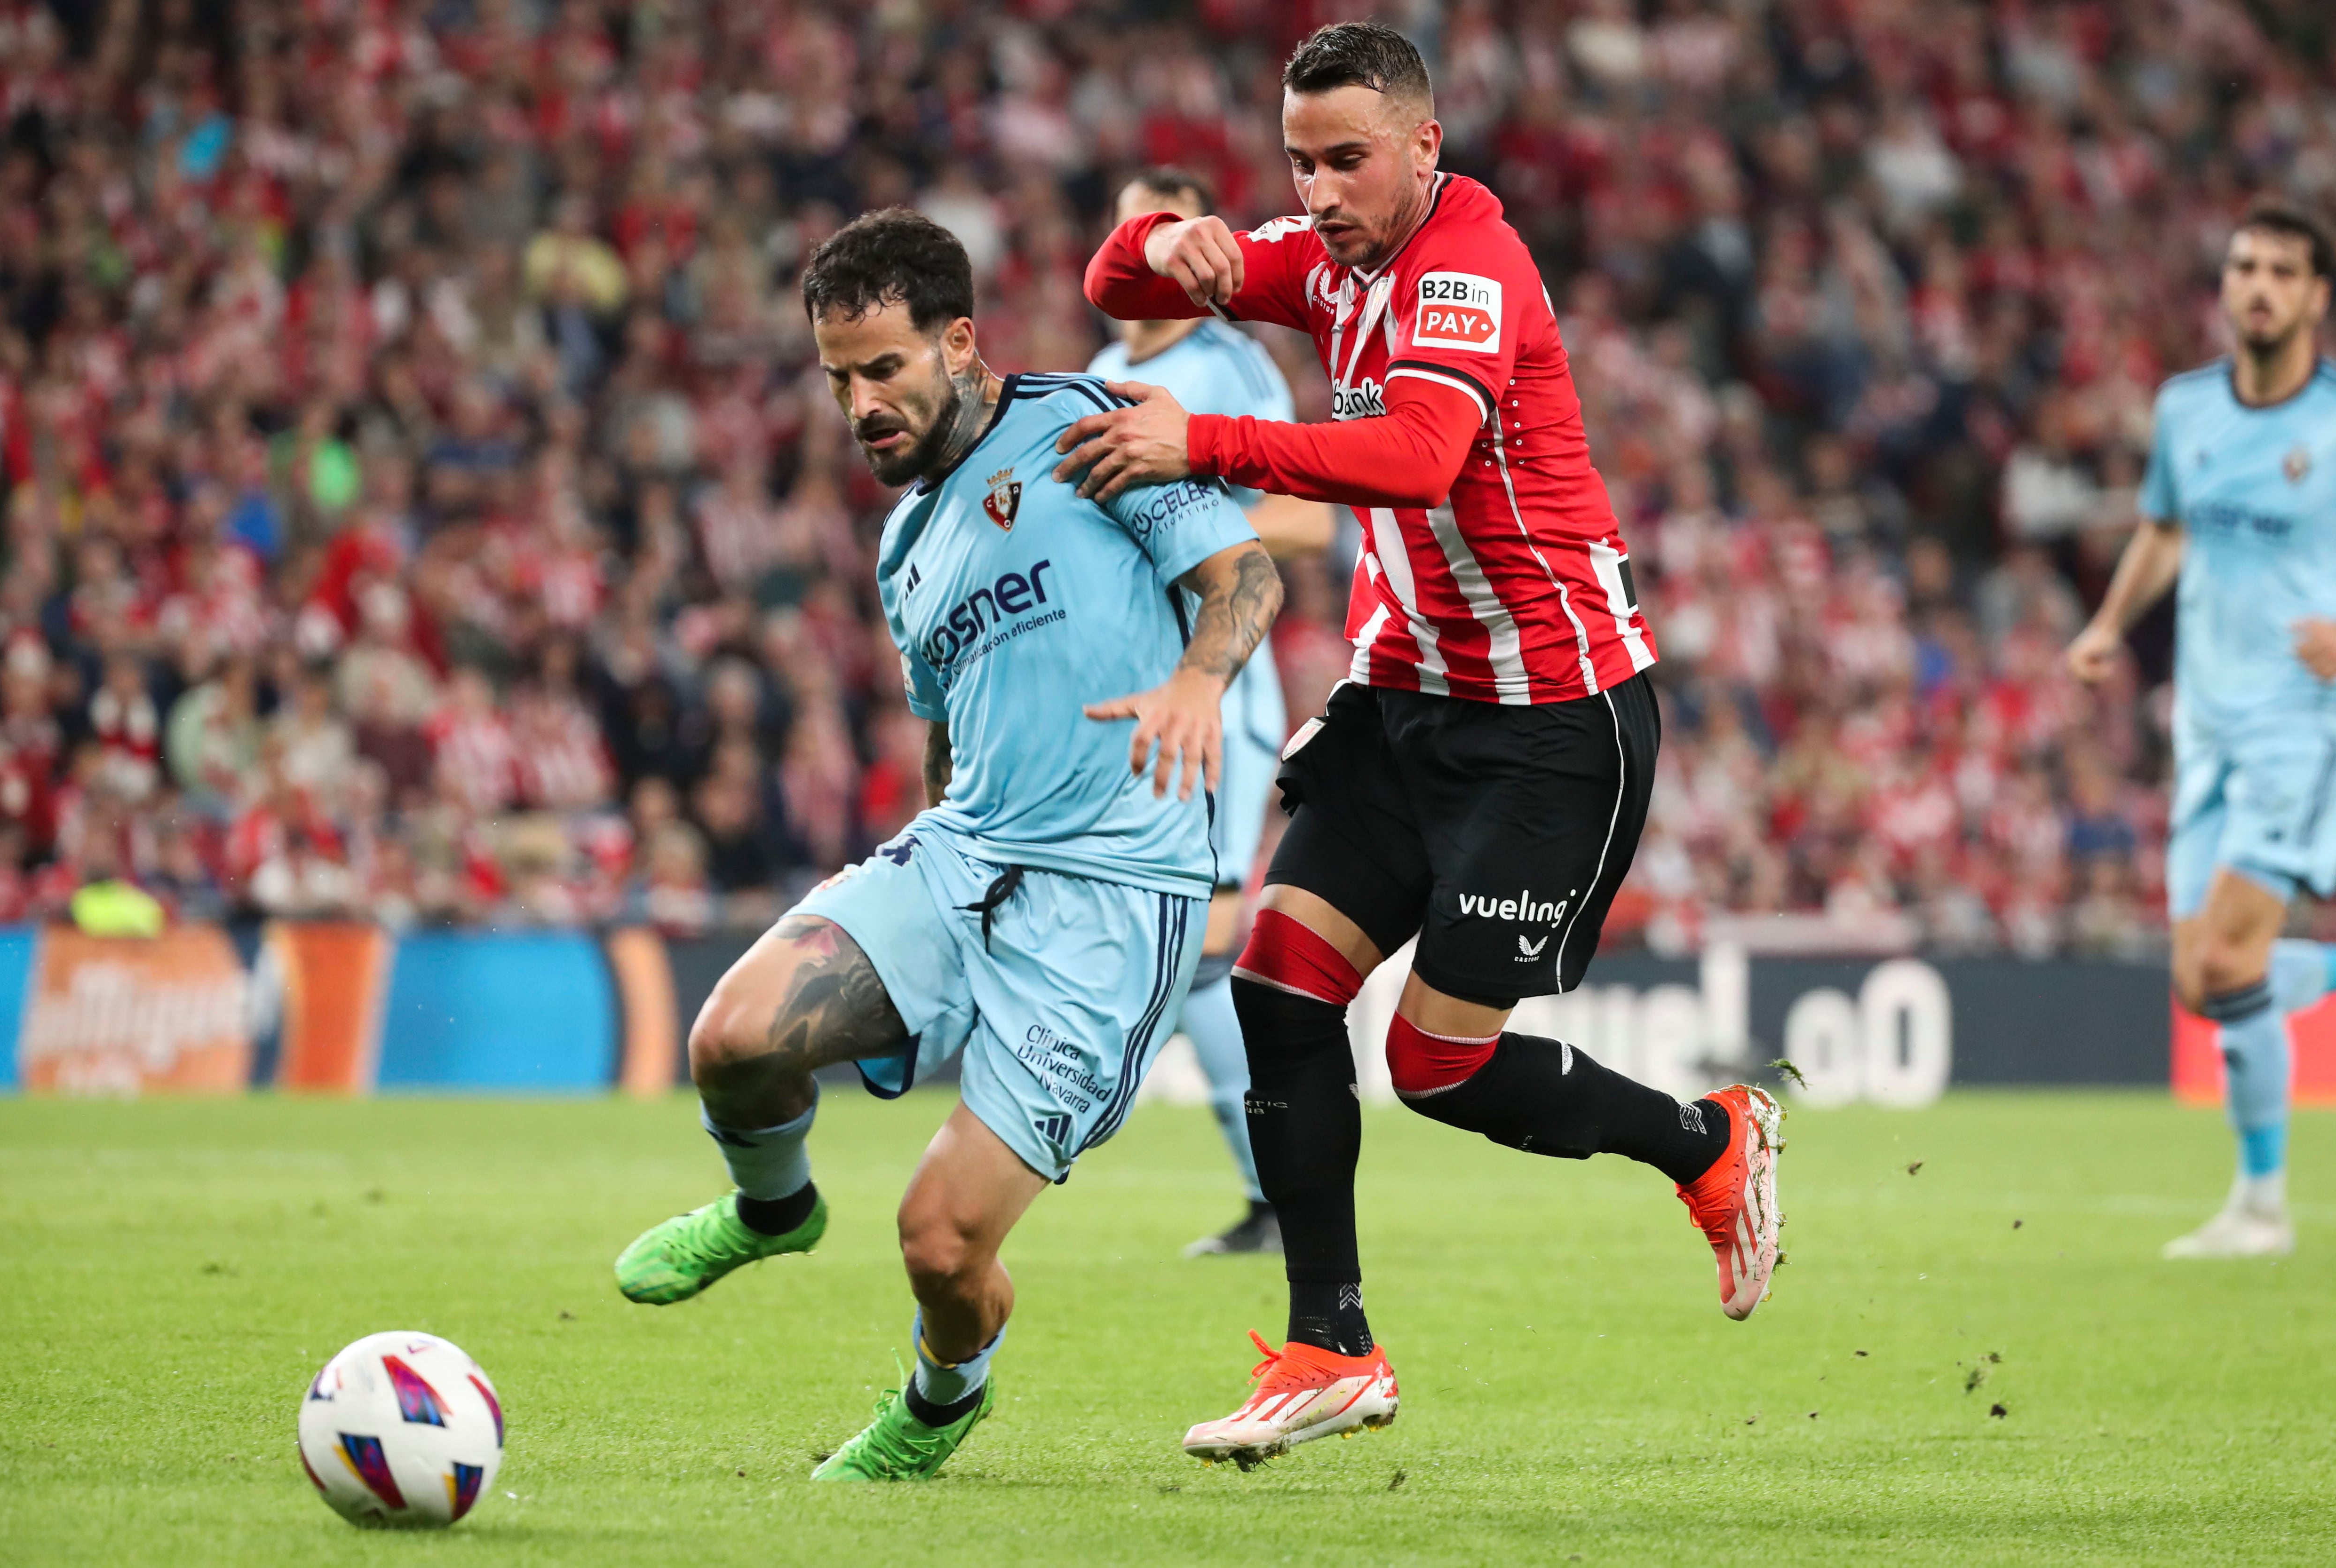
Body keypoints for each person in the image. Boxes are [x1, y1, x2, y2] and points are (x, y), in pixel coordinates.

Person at [1064, 21, 1783, 1465]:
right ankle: (1331, 1348)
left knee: (1437, 1062)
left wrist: (1206, 440)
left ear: (1424, 146)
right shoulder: (1323, 255)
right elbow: (1110, 288)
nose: (1319, 192)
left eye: (1348, 160)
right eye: (1299, 164)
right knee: (1277, 985)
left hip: (1551, 718)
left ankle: (1708, 1142)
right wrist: (1165, 241)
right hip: (1406, 700)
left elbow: (1416, 457)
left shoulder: (1468, 267)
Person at [612, 210, 1281, 1480]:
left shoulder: (1089, 425)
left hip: (1112, 899)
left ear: (959, 342)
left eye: (883, 368)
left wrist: (1198, 686)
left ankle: (939, 1399)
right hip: (966, 851)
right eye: (838, 380)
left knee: (940, 1243)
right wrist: (924, 851)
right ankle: (773, 1206)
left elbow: (1245, 574)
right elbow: (946, 724)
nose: (860, 404)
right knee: (731, 1039)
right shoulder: (905, 542)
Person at [2066, 202, 2336, 1259]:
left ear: (2316, 297)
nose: (2259, 286)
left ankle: (2261, 1207)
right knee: (2202, 979)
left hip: (2298, 727)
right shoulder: (2186, 410)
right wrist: (2106, 624)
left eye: (2283, 271)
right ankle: (2258, 1204)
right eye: (2244, 267)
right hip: (2207, 729)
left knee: (2229, 956)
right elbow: (2166, 530)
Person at [1088, 167, 1336, 1258]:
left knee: (1200, 940)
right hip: (1128, 698)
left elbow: (1308, 521)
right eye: (1135, 229)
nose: (1155, 251)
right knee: (1185, 950)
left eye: (1174, 232)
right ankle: (1275, 1192)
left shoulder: (1227, 365)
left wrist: (1177, 513)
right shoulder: (1099, 376)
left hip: (1218, 695)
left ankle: (1287, 1186)